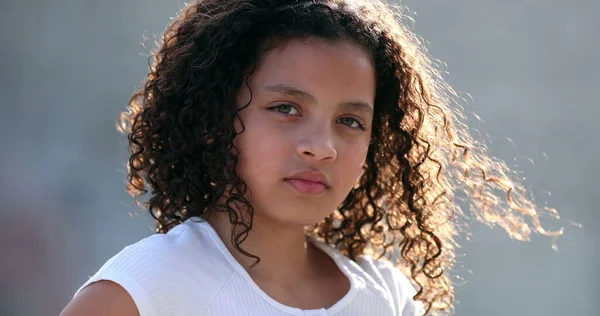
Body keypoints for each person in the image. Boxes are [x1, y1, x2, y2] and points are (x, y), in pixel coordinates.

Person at [60, 0, 562, 315]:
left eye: (350, 121)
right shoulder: (142, 293)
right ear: (214, 119)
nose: (320, 146)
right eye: (286, 108)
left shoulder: (388, 299)